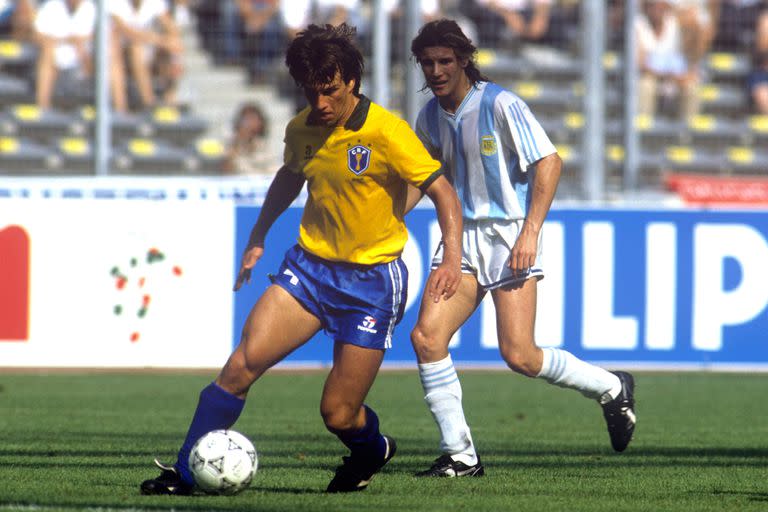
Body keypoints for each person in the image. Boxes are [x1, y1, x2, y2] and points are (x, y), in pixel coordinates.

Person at [139, 22, 463, 495]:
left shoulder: (387, 131)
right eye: (312, 93)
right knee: (238, 369)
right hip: (309, 270)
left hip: (373, 283)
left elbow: (443, 194)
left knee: (338, 413)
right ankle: (185, 474)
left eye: (330, 91)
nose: (322, 103)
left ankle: (372, 448)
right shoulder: (302, 129)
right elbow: (290, 177)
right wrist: (258, 235)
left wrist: (451, 258)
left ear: (352, 81)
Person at [406, 19, 636, 477]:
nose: (435, 71)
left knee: (520, 355)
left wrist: (530, 232)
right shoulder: (429, 116)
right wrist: (385, 214)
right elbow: (424, 181)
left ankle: (610, 386)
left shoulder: (501, 103)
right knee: (427, 338)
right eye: (427, 63)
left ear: (465, 59)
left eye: (445, 61)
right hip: (462, 238)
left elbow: (549, 161)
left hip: (509, 234)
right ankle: (460, 454)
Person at [636, 0, 700, 120]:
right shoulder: (639, 24)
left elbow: (688, 53)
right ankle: (642, 133)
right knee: (646, 85)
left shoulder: (674, 24)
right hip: (651, 76)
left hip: (674, 76)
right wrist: (666, 75)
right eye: (652, 5)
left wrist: (680, 75)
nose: (656, 9)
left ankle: (686, 135)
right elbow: (641, 63)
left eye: (660, 5)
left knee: (691, 87)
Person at [222, 101, 276, 174]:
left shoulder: (263, 146)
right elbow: (227, 170)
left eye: (254, 119)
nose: (250, 123)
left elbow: (271, 170)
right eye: (247, 119)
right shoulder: (231, 145)